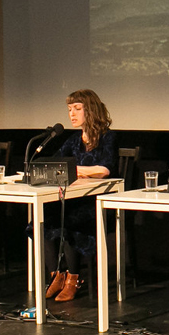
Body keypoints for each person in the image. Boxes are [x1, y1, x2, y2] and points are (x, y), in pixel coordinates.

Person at [38, 89, 118, 303]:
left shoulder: (107, 137)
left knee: (69, 219)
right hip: (74, 197)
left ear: (90, 110)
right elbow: (56, 163)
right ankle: (57, 275)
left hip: (96, 201)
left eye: (77, 109)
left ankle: (73, 278)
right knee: (45, 217)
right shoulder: (73, 140)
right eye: (69, 109)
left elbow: (104, 169)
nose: (71, 114)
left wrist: (75, 169)